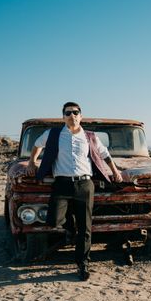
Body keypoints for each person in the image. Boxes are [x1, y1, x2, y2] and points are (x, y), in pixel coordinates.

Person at [26, 101, 123, 281]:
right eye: (68, 112)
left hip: (84, 185)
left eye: (76, 112)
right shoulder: (53, 134)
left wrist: (115, 171)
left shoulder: (90, 136)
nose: (72, 115)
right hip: (61, 184)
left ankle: (83, 263)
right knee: (54, 219)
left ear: (81, 116)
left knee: (85, 227)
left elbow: (104, 154)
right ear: (63, 116)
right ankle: (70, 229)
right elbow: (37, 145)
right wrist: (32, 162)